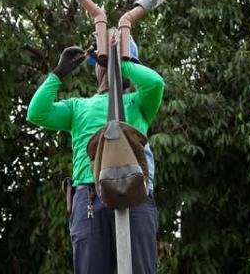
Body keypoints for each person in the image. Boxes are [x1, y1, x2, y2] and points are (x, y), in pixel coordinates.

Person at [27, 39, 165, 274]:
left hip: (136, 194)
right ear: (95, 68)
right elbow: (37, 113)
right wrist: (58, 73)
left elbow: (155, 82)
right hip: (89, 197)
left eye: (114, 62)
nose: (106, 69)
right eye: (103, 63)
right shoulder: (78, 106)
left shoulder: (138, 102)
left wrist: (118, 62)